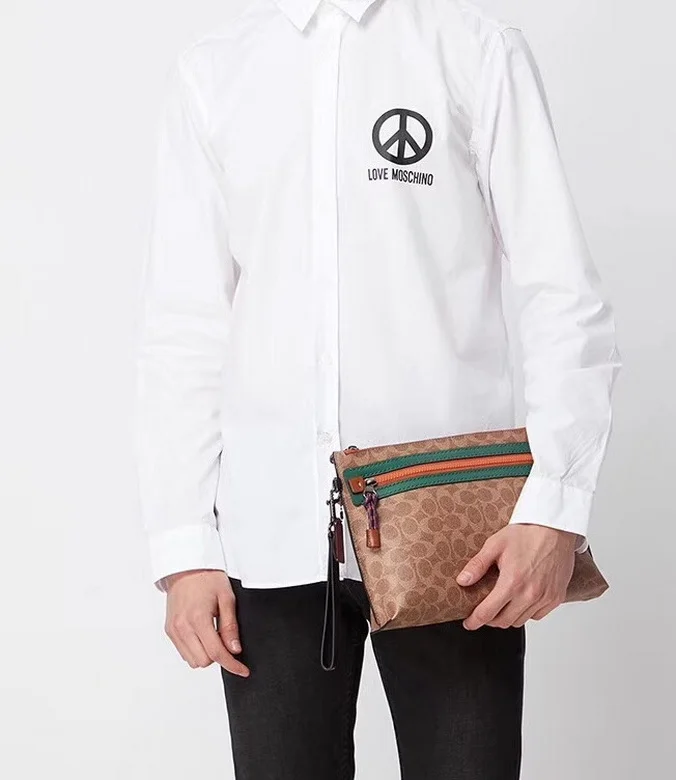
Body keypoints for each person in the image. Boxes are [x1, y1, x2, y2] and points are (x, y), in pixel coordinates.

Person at [135, 0, 621, 777]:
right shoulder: (214, 73)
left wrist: (554, 507)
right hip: (269, 532)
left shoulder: (474, 50)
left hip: (456, 535)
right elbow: (186, 327)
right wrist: (184, 546)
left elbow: (561, 295)